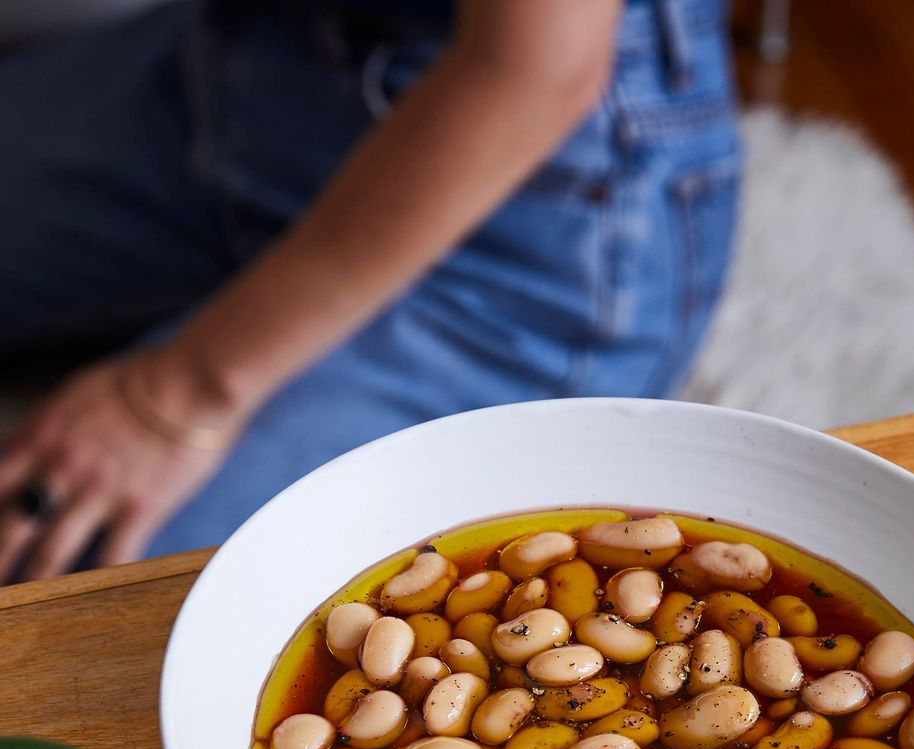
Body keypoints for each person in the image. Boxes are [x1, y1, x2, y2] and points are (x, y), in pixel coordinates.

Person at [0, 0, 740, 583]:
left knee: (79, 604)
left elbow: (538, 67)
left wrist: (178, 393)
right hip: (249, 59)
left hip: (522, 176)